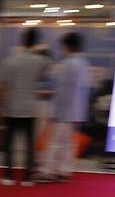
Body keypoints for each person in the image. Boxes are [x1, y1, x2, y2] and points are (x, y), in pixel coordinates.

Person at [0, 28, 49, 186]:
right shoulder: (40, 61)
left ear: (22, 41)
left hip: (12, 107)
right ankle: (27, 177)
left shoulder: (10, 60)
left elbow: (3, 86)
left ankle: (8, 176)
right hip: (30, 108)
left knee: (9, 143)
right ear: (36, 42)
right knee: (29, 144)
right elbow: (41, 77)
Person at [37, 32, 90, 182]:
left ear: (68, 46)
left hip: (63, 111)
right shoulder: (83, 63)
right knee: (68, 143)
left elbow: (62, 91)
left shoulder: (68, 64)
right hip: (76, 111)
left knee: (54, 142)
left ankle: (47, 171)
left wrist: (55, 112)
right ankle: (64, 170)